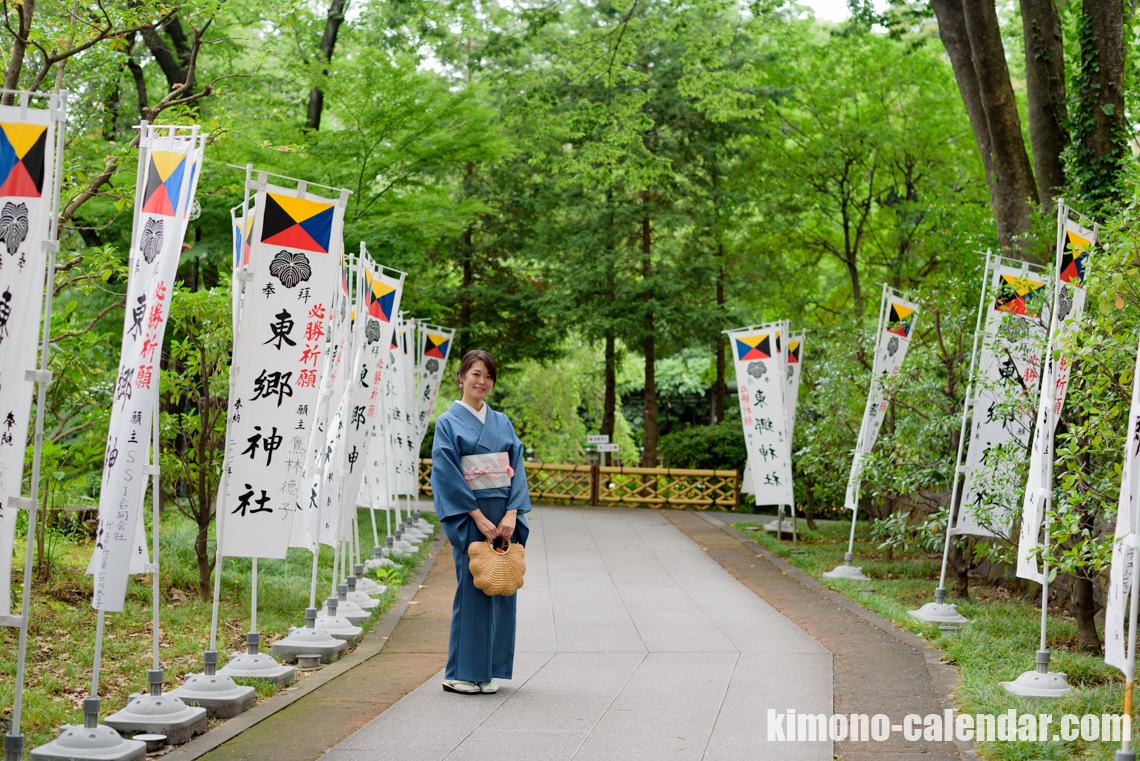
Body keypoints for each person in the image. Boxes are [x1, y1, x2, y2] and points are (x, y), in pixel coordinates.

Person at [430, 349, 531, 695]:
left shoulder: (502, 421)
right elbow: (446, 474)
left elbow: (517, 466)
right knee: (473, 588)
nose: (482, 382)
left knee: (502, 587)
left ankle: (486, 672)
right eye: (475, 374)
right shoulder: (448, 422)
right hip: (473, 515)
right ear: (461, 377)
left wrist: (512, 513)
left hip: (504, 516)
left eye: (488, 376)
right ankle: (459, 672)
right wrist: (477, 516)